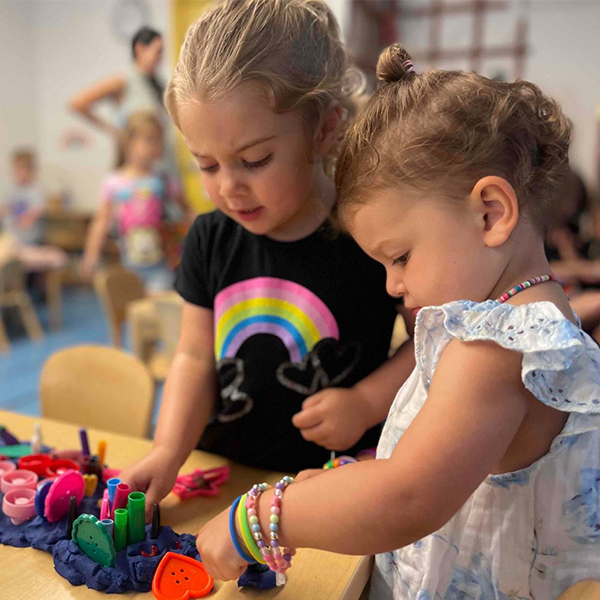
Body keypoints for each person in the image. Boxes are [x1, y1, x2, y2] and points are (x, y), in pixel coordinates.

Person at [194, 44, 600, 598]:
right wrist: (336, 491)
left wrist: (260, 518)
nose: (392, 285)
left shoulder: (500, 344)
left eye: (401, 256)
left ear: (491, 213)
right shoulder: (530, 315)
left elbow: (407, 497)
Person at [120, 0, 415, 508]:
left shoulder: (372, 235)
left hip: (331, 486)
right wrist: (169, 449)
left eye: (254, 160)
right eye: (206, 165)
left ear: (324, 128)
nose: (229, 187)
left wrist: (366, 403)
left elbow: (430, 343)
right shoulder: (209, 239)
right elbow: (193, 358)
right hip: (227, 475)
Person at [81, 111, 181, 292]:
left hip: (162, 262)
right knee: (133, 311)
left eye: (159, 140)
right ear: (129, 142)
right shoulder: (114, 182)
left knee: (159, 305)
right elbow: (101, 221)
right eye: (150, 139)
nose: (157, 146)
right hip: (128, 262)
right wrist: (91, 255)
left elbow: (186, 211)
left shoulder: (163, 179)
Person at [1, 149, 67, 271]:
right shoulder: (10, 191)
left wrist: (29, 217)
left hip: (29, 242)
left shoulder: (36, 191)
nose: (21, 172)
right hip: (11, 239)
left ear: (32, 171)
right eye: (18, 169)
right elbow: (4, 210)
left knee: (58, 258)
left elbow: (37, 211)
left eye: (24, 169)